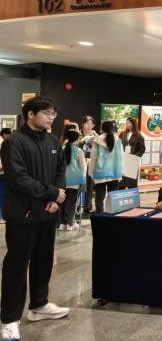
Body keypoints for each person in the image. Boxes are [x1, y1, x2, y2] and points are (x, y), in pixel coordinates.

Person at [0, 96, 69, 341]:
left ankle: (39, 305)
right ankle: (9, 319)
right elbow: (18, 178)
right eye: (47, 113)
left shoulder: (53, 141)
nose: (52, 117)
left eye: (54, 114)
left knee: (43, 261)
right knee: (17, 266)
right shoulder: (13, 142)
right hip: (23, 214)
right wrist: (52, 193)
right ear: (30, 114)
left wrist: (57, 198)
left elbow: (61, 171)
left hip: (48, 213)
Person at [89, 120, 123, 214]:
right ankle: (112, 217)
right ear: (113, 129)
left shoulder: (97, 140)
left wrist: (91, 174)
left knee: (99, 198)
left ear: (102, 129)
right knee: (113, 198)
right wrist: (121, 174)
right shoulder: (118, 140)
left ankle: (100, 217)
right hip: (115, 173)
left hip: (100, 173)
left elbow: (93, 158)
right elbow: (121, 158)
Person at [59, 126, 87, 231]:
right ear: (77, 139)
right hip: (75, 180)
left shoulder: (62, 149)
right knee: (72, 202)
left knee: (62, 202)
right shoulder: (79, 151)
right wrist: (83, 178)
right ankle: (71, 223)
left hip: (63, 180)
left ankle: (62, 223)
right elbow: (83, 167)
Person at [119, 117, 146, 189]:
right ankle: (121, 195)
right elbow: (118, 145)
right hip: (122, 160)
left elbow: (142, 149)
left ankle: (131, 196)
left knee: (131, 184)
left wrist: (134, 157)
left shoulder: (139, 136)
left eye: (128, 123)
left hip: (132, 162)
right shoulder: (122, 134)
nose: (126, 124)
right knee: (121, 183)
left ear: (133, 124)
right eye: (126, 123)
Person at [78, 115, 98, 214]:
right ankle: (77, 208)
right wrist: (82, 141)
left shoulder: (95, 134)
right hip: (80, 163)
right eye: (87, 123)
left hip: (91, 163)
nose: (89, 126)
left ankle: (88, 207)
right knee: (80, 185)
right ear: (83, 124)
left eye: (91, 124)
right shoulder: (78, 134)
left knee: (90, 186)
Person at [0, 128, 12, 221]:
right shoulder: (3, 143)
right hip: (2, 173)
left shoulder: (5, 143)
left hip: (3, 173)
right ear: (4, 134)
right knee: (2, 195)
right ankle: (1, 215)